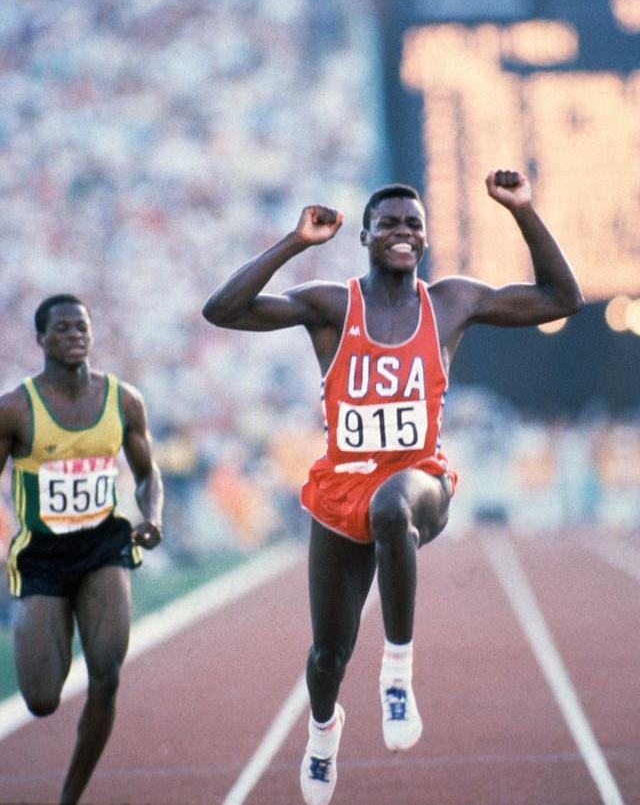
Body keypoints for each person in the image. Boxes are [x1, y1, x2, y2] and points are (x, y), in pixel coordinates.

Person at [202, 170, 584, 805]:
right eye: (389, 223)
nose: (403, 232)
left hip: (419, 479)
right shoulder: (332, 306)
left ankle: (398, 675)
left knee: (393, 506)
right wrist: (295, 242)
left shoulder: (452, 302)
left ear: (426, 238)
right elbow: (223, 311)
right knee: (327, 656)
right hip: (341, 488)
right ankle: (323, 730)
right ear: (365, 236)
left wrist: (522, 209)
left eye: (414, 224)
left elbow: (562, 297)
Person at [0, 294, 164, 805]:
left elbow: (148, 474)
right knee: (42, 699)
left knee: (106, 676)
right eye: (63, 328)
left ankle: (69, 798)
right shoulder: (14, 409)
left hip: (103, 548)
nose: (75, 335)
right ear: (40, 339)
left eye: (82, 327)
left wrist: (152, 516)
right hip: (42, 557)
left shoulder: (123, 400)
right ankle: (56, 627)